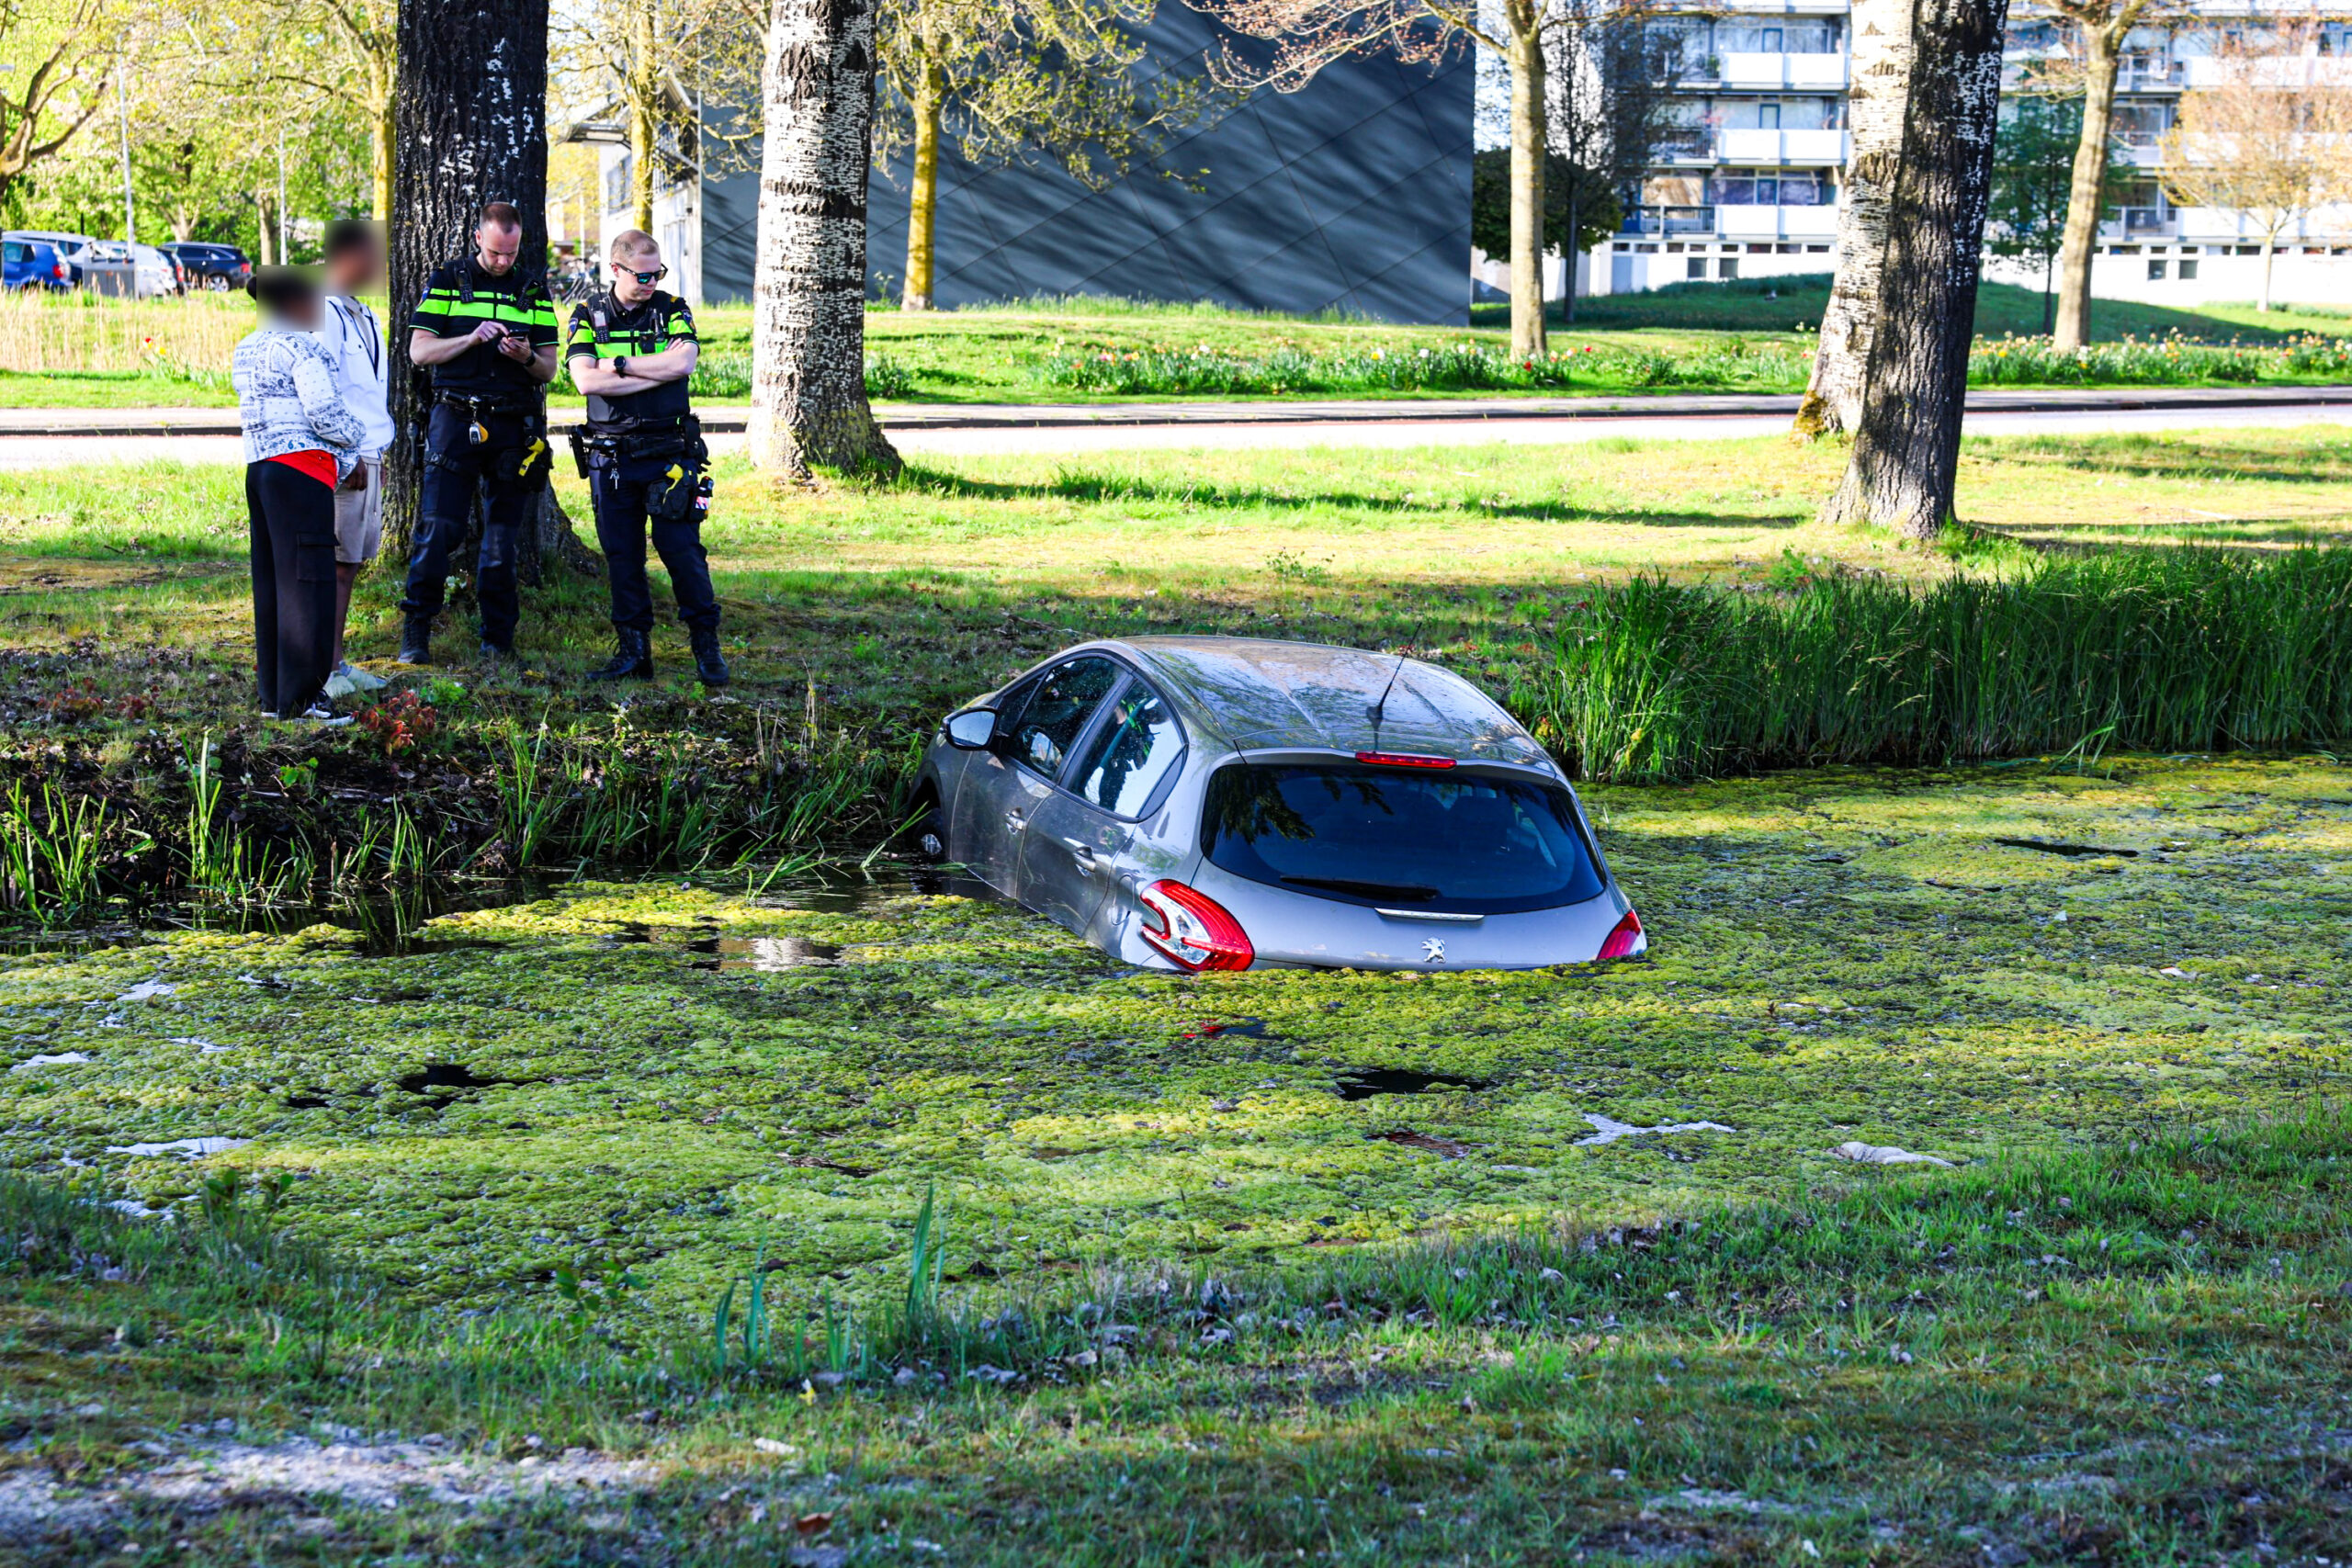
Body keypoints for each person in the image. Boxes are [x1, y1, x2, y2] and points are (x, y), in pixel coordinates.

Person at [398, 201, 560, 666]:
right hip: (453, 417)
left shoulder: (532, 288)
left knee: (502, 540)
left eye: (509, 253)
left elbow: (548, 368)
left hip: (511, 423)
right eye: (494, 253)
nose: (502, 262)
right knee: (438, 530)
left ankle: (497, 638)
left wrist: (525, 356)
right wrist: (470, 339)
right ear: (478, 240)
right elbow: (419, 351)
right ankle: (416, 631)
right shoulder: (449, 280)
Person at [564, 230, 728, 685]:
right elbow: (584, 382)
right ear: (615, 269)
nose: (651, 281)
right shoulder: (587, 313)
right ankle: (635, 653)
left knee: (683, 553)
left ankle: (706, 647)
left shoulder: (672, 308)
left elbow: (683, 364)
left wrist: (615, 365)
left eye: (657, 273)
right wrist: (652, 371)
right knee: (623, 557)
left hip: (669, 454)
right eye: (642, 274)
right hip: (610, 457)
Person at [231, 268, 364, 726]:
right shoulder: (302, 347)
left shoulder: (247, 348)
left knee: (272, 582)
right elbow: (324, 413)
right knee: (308, 584)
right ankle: (305, 698)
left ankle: (274, 697)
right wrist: (356, 445)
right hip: (302, 470)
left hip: (261, 470)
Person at [316, 219, 392, 697]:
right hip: (347, 455)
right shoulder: (322, 311)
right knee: (336, 564)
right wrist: (344, 452)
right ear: (349, 257)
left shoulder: (362, 311)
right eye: (374, 257)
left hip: (372, 449)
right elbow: (320, 389)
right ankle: (323, 669)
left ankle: (337, 662)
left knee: (353, 562)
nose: (381, 267)